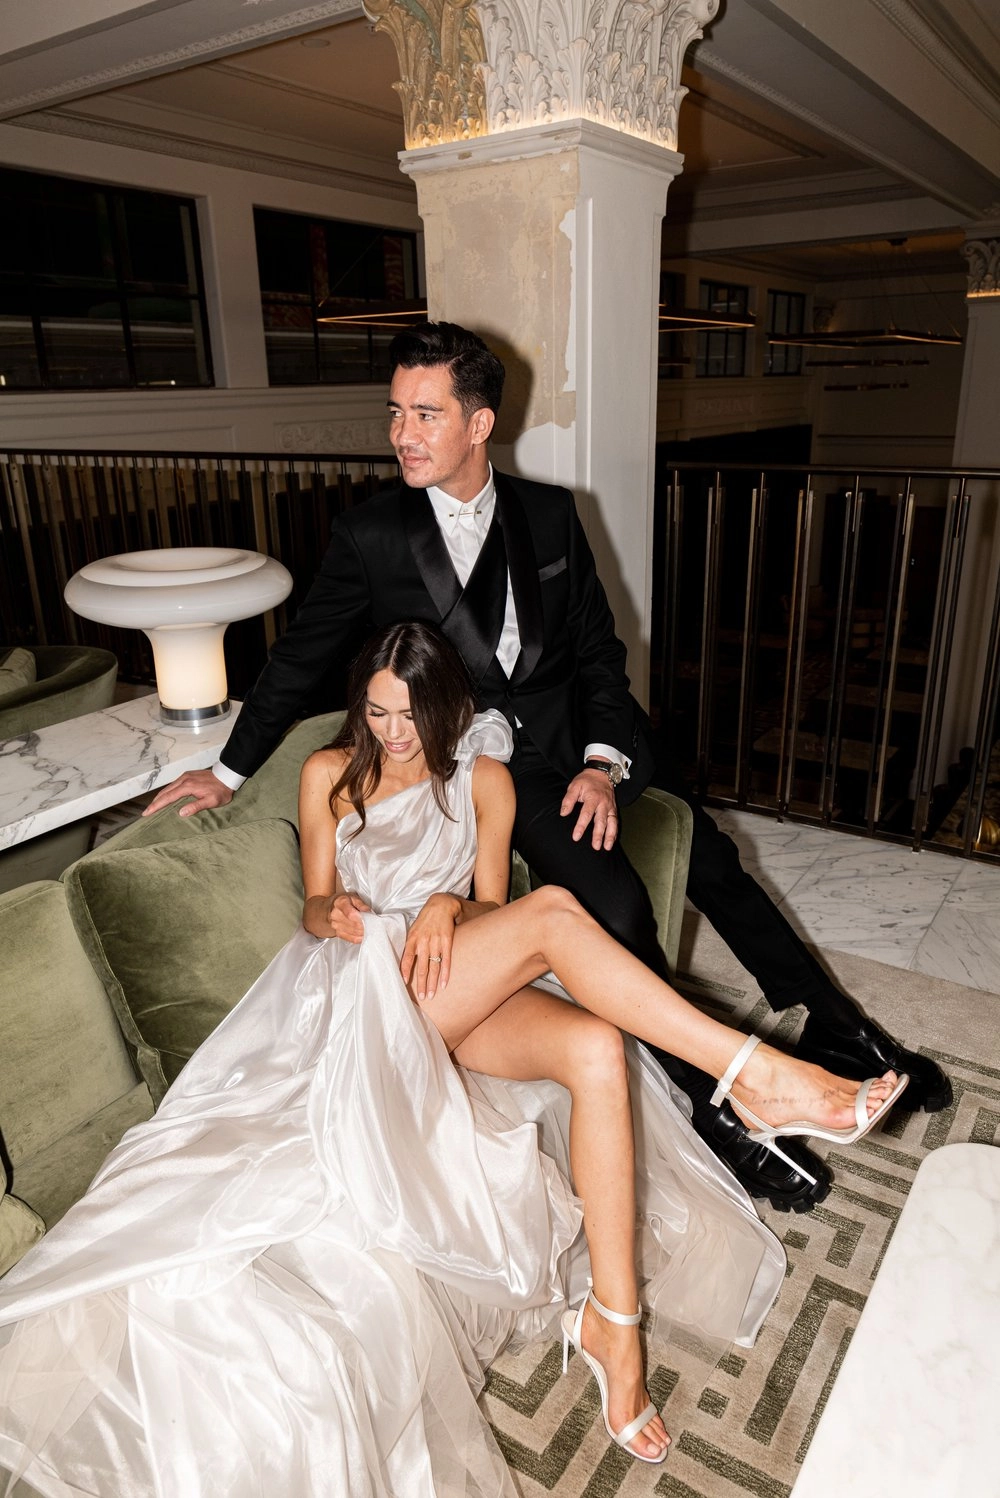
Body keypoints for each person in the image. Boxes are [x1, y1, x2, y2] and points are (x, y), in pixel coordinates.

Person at [0, 622, 906, 1496]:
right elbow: (312, 907)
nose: (392, 733)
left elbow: (487, 909)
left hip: (455, 984)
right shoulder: (328, 773)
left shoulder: (484, 780)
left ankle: (615, 1328)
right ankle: (755, 1075)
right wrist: (341, 914)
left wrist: (445, 904)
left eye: (408, 715)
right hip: (362, 984)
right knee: (554, 914)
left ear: (446, 709)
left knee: (597, 1045)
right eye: (376, 711)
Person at [144, 320, 948, 1212]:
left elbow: (600, 652)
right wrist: (226, 770)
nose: (402, 433)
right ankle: (715, 1112)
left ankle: (842, 1031)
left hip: (584, 743)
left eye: (425, 413)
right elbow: (299, 656)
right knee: (617, 906)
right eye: (396, 412)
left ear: (479, 424)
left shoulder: (551, 513)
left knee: (715, 859)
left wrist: (603, 762)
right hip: (491, 772)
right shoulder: (371, 534)